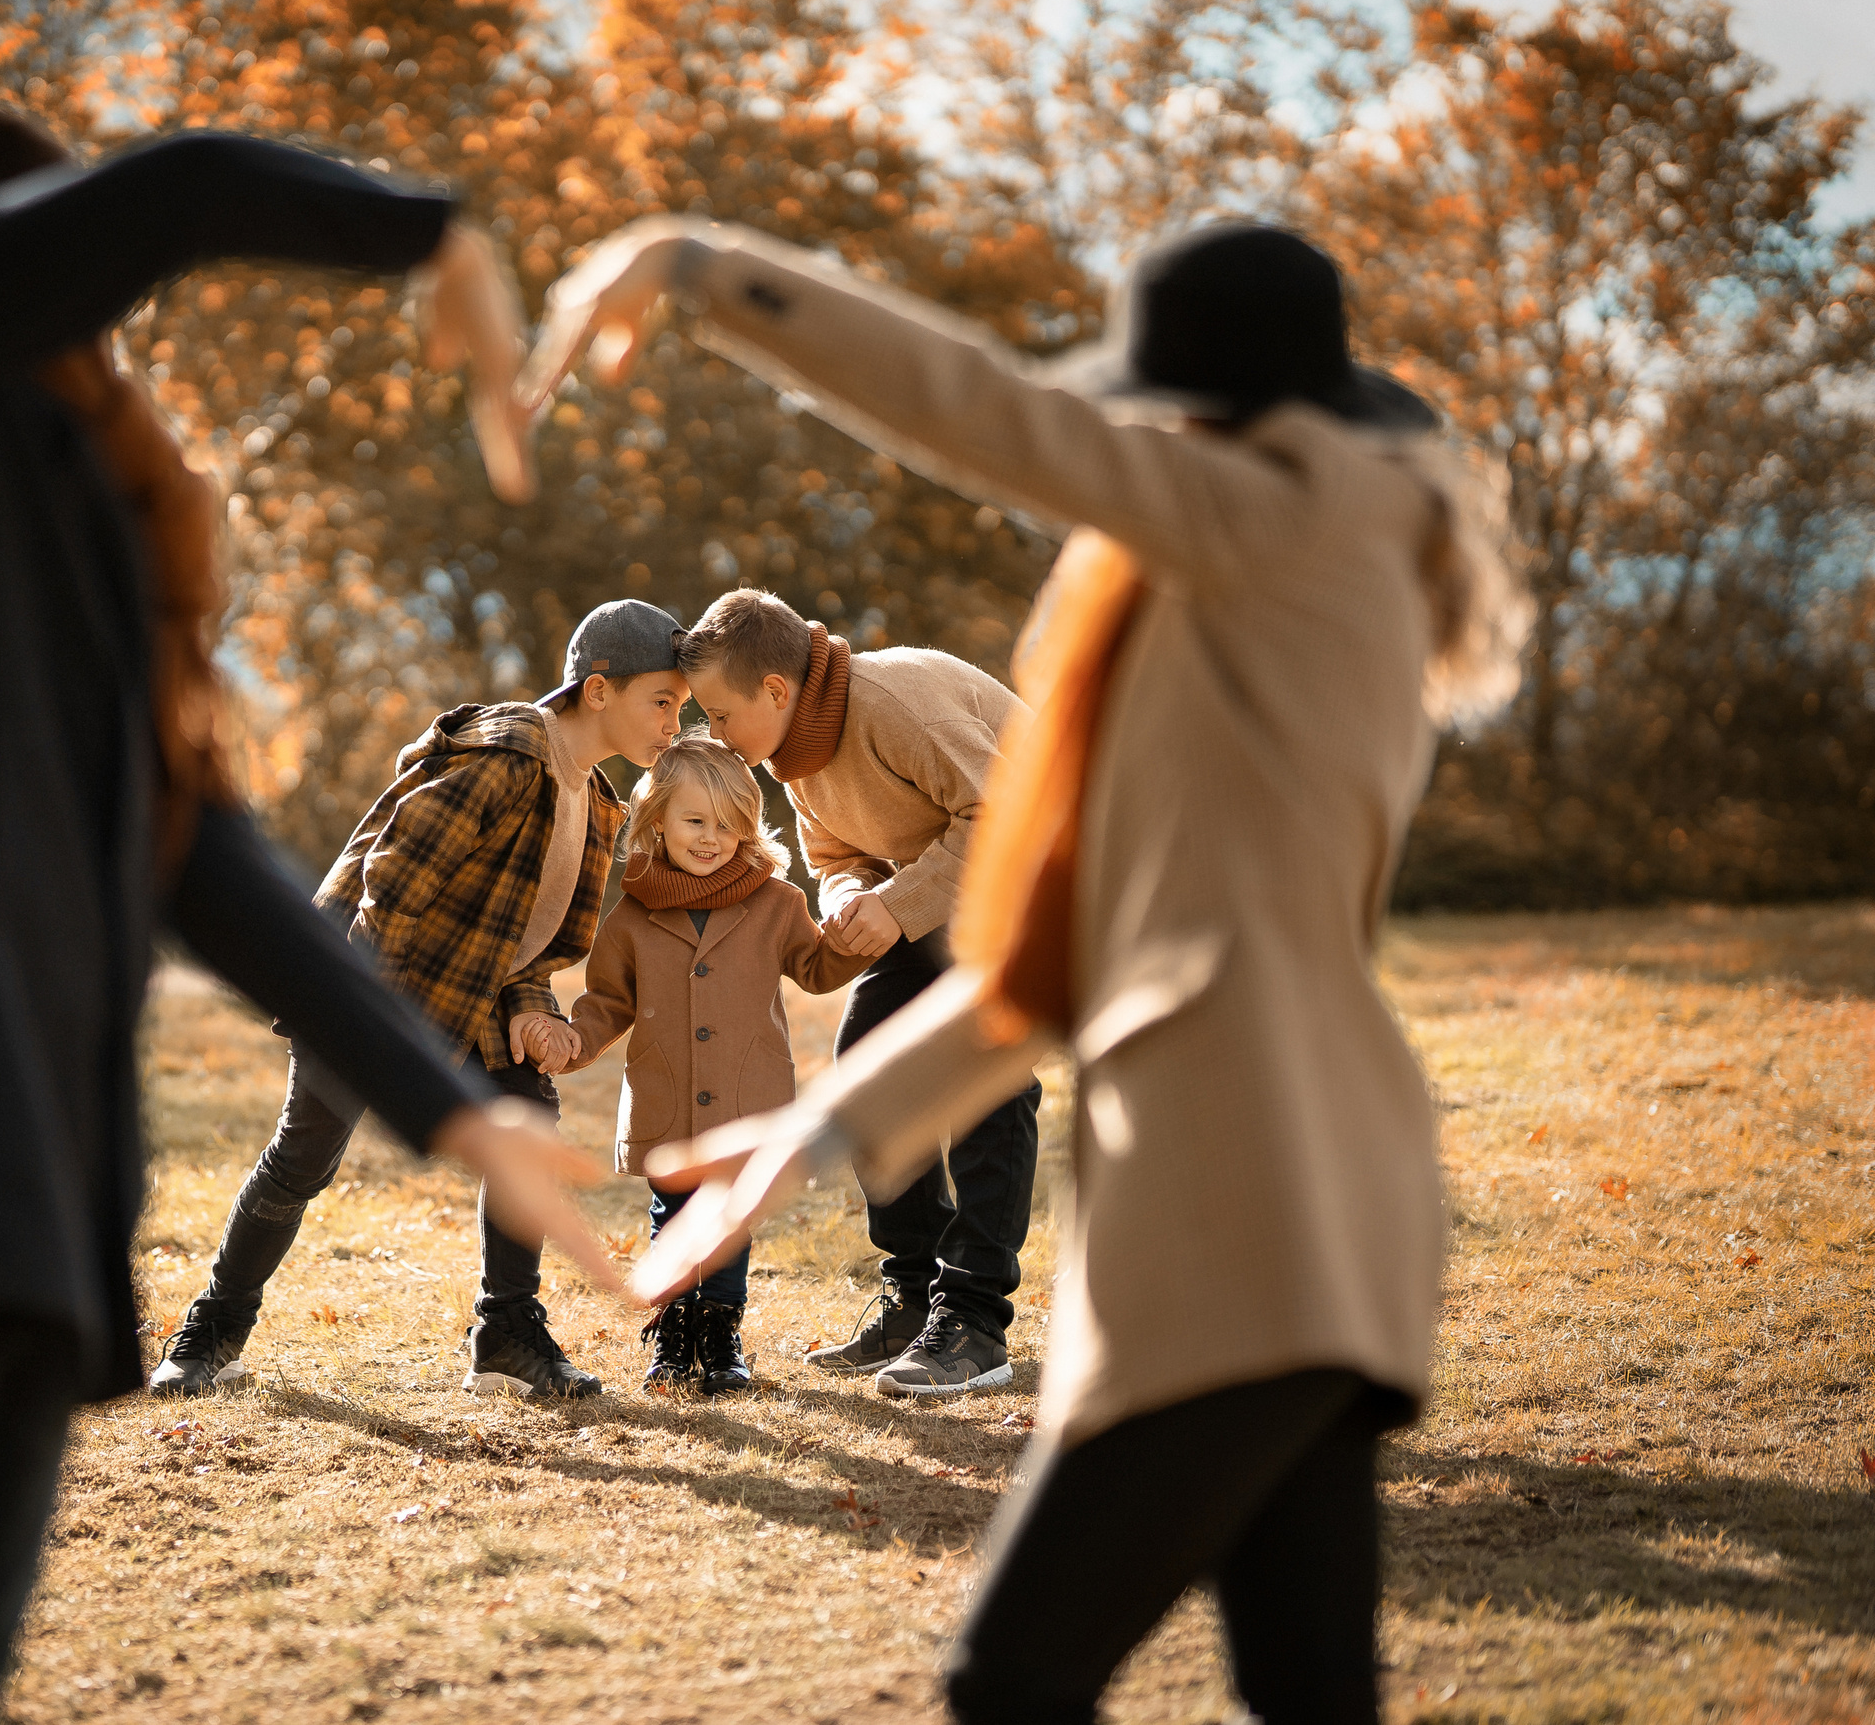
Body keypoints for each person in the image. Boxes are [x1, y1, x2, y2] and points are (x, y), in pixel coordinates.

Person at [524, 215, 1526, 1720]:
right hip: (1292, 1212)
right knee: (1304, 1687)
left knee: (1014, 1679)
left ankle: (964, 1319)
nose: (1134, 452)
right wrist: (821, 1129)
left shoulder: (1288, 523)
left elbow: (983, 411)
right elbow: (1054, 973)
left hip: (1255, 1207)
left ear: (1210, 421)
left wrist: (700, 268)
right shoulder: (1240, 616)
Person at [0, 99, 618, 1725]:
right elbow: (181, 188)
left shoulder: (74, 545)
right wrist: (433, 235)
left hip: (37, 1211)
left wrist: (453, 1109)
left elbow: (200, 858)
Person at [151, 598, 690, 1401]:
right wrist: (383, 1027)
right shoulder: (509, 757)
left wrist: (530, 1007)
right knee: (302, 1159)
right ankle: (211, 1331)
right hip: (377, 988)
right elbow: (394, 878)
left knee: (528, 1125)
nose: (675, 724)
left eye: (682, 708)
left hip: (478, 994)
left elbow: (526, 939)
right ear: (600, 690)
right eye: (663, 701)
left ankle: (505, 1333)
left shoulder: (598, 803)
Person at [674, 587, 1042, 1397]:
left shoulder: (894, 704)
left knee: (986, 1082)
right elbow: (835, 854)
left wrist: (897, 903)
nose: (716, 735)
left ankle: (974, 1321)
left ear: (776, 690)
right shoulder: (795, 751)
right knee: (865, 1064)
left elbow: (1010, 815)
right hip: (942, 894)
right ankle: (913, 1295)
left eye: (721, 715)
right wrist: (848, 898)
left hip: (1037, 881)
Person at [531, 730, 874, 1393]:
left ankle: (719, 1334)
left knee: (727, 1221)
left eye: (728, 824)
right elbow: (607, 1003)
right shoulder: (631, 916)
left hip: (748, 1098)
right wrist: (571, 1042)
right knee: (672, 1216)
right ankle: (673, 1332)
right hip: (666, 1096)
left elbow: (816, 968)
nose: (712, 838)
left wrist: (853, 938)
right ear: (657, 821)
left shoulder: (778, 903)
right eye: (695, 821)